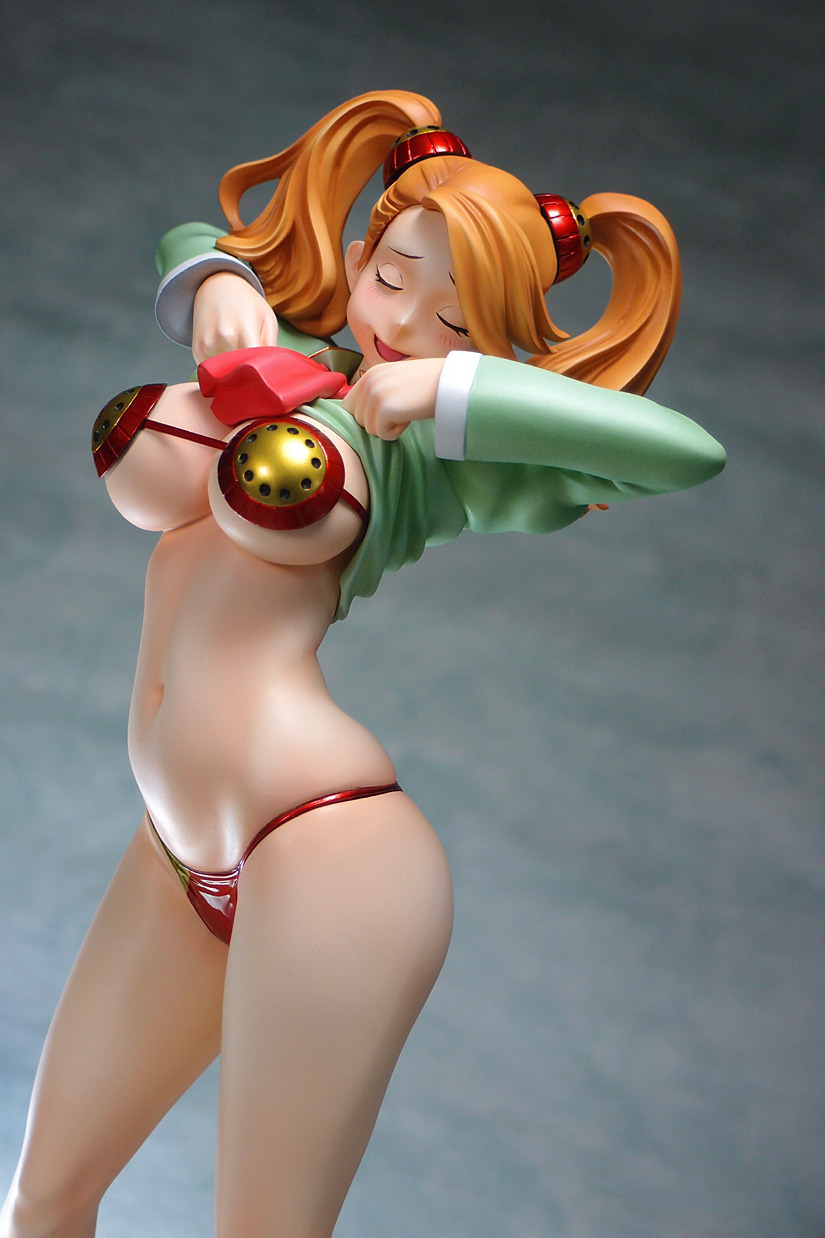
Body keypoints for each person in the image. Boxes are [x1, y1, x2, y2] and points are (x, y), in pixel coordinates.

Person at [1, 92, 724, 1238]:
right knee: (40, 1199)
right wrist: (217, 283)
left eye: (456, 321)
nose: (404, 323)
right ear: (355, 258)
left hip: (322, 845)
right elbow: (192, 239)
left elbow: (686, 452)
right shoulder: (290, 359)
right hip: (179, 850)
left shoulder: (430, 452)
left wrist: (453, 390)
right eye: (392, 277)